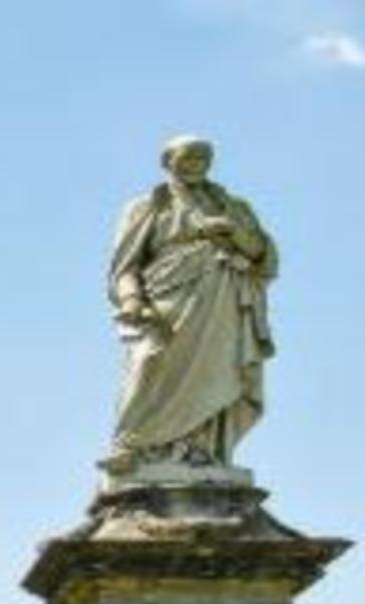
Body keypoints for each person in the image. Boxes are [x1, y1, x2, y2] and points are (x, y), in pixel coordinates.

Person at [107, 135, 277, 473]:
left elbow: (264, 257)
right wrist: (131, 299)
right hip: (166, 303)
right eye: (188, 158)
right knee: (149, 362)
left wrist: (232, 232)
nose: (196, 165)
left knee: (218, 373)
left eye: (203, 158)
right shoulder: (147, 207)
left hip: (223, 301)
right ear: (168, 162)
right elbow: (124, 268)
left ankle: (202, 450)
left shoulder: (233, 206)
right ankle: (134, 446)